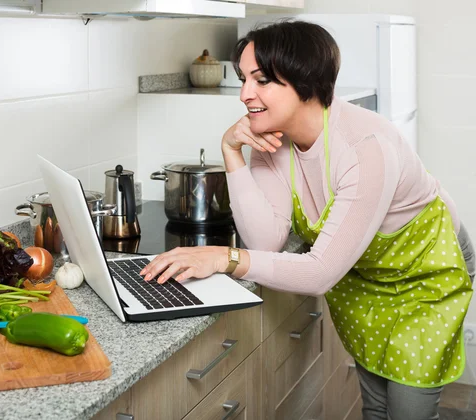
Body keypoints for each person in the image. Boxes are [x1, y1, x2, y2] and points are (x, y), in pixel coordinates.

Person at [140, 20, 476, 420]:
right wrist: (230, 151)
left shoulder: (365, 148)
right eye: (243, 78)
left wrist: (222, 257)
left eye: (261, 80)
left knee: (408, 411)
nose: (246, 94)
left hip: (426, 272)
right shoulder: (272, 139)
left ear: (304, 80)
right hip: (366, 277)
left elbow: (317, 274)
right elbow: (266, 241)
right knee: (377, 405)